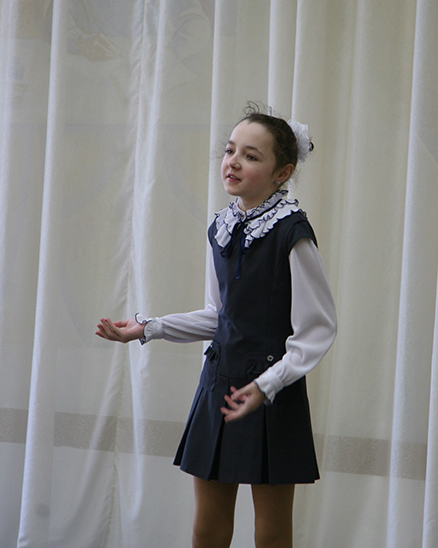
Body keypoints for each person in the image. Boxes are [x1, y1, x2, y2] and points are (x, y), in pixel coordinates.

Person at [96, 104, 337, 548]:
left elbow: (317, 329)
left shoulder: (292, 233)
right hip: (219, 382)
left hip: (271, 393)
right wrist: (147, 328)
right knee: (207, 525)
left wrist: (267, 384)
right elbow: (219, 315)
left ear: (283, 173)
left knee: (271, 532)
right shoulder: (221, 228)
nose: (234, 162)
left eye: (251, 155)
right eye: (230, 151)